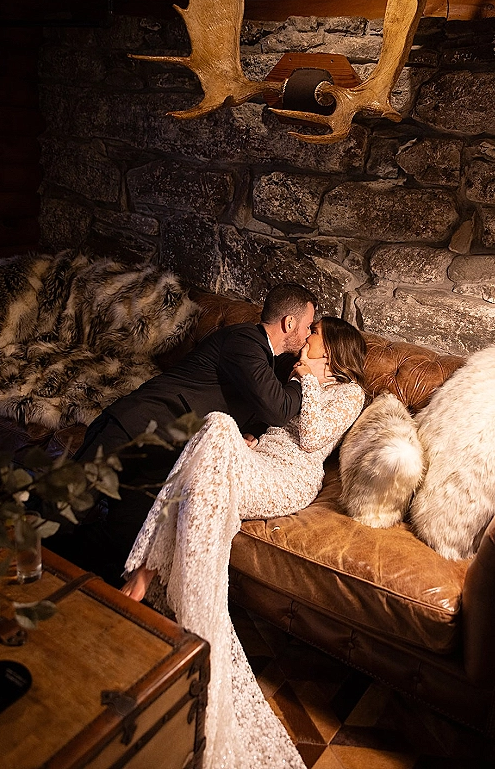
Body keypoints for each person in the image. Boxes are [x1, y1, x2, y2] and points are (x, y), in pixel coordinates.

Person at [121, 316, 368, 769]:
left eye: (314, 335)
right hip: (259, 461)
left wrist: (308, 383)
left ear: (330, 349)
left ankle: (147, 578)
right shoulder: (291, 376)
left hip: (290, 479)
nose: (305, 338)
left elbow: (312, 438)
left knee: (214, 427)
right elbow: (272, 422)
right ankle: (164, 591)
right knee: (215, 435)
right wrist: (250, 437)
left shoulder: (349, 393)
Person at [48, 283, 317, 584]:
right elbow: (277, 408)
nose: (308, 335)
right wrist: (302, 379)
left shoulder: (266, 359)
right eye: (307, 326)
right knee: (58, 516)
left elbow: (254, 406)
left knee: (120, 547)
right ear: (289, 323)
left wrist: (252, 430)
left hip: (162, 459)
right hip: (133, 429)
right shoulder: (245, 341)